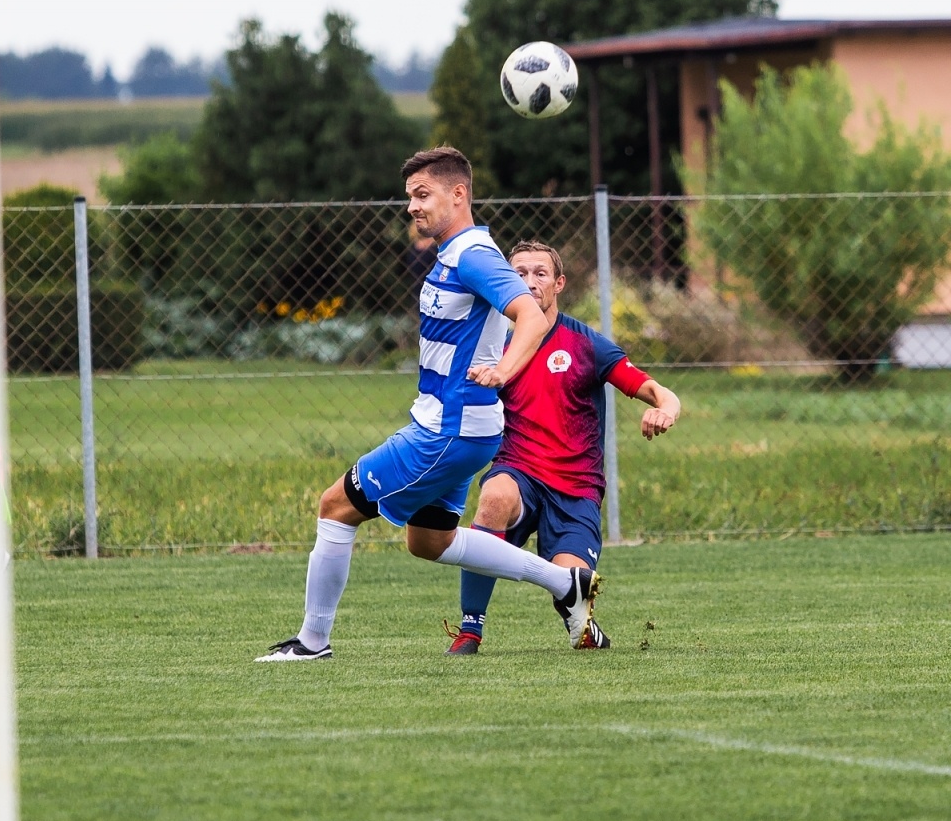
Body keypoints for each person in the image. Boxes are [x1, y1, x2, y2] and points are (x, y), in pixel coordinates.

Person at [256, 147, 602, 663]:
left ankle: (312, 643)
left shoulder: (475, 256)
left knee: (335, 507)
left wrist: (503, 371)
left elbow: (529, 315)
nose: (412, 207)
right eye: (409, 198)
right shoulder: (454, 252)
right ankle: (562, 582)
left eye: (423, 195)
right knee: (428, 540)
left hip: (448, 430)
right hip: (460, 429)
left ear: (458, 194)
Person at [445, 241, 681, 654]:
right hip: (518, 471)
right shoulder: (492, 347)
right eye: (518, 273)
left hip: (576, 490)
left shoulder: (586, 344)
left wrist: (665, 410)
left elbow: (658, 391)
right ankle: (470, 631)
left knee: (573, 581)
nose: (529, 282)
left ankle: (583, 623)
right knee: (494, 496)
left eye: (539, 273)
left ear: (559, 284)